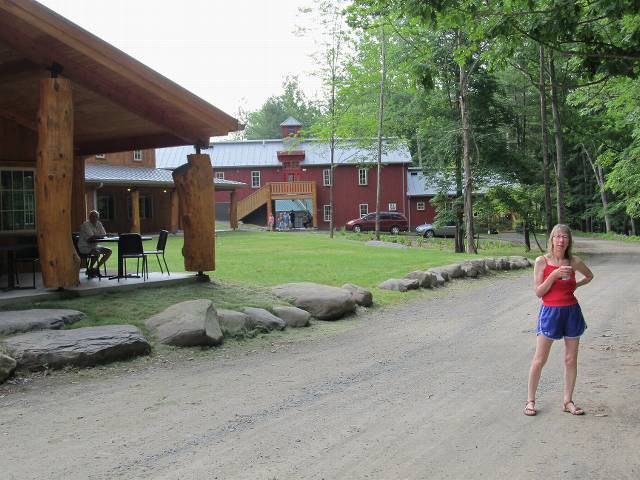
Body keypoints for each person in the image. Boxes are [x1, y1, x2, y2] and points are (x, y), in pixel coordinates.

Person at [525, 224, 594, 416]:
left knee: (571, 359)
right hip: (550, 312)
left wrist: (575, 286)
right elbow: (539, 292)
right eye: (557, 236)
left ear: (569, 241)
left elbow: (590, 275)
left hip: (571, 312)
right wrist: (554, 275)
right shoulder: (542, 261)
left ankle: (568, 401)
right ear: (552, 239)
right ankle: (530, 401)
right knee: (540, 359)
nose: (561, 240)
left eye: (565, 237)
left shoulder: (573, 261)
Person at [78, 210, 112, 277]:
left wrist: (98, 236)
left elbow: (104, 234)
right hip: (84, 247)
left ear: (98, 218)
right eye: (92, 216)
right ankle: (90, 269)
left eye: (96, 217)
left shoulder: (99, 224)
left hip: (94, 246)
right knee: (96, 252)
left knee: (109, 251)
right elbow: (91, 237)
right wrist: (99, 235)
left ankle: (96, 268)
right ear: (89, 217)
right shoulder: (86, 224)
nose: (94, 218)